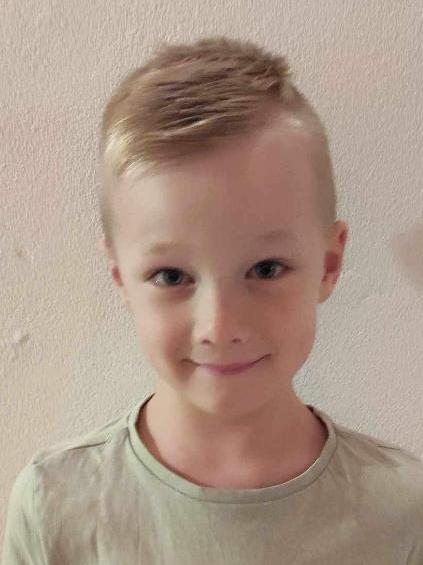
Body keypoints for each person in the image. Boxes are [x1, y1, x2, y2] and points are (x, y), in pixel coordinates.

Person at [2, 35, 423, 565]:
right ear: (121, 277)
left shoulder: (404, 511)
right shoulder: (55, 508)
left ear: (330, 264)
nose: (220, 327)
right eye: (171, 275)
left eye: (265, 269)